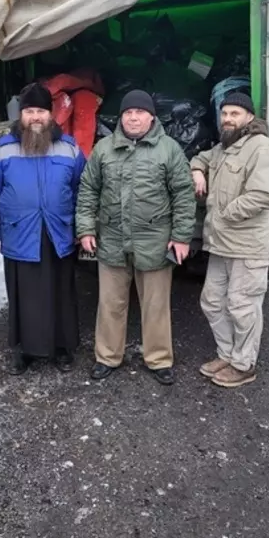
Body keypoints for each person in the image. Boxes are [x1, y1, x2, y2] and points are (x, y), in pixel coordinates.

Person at [76, 90, 196, 385]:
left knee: (155, 306)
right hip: (113, 241)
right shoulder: (104, 149)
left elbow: (183, 195)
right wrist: (86, 229)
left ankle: (158, 359)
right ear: (121, 118)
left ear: (151, 117)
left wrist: (181, 237)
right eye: (128, 113)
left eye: (139, 112)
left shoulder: (168, 149)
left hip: (154, 241)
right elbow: (88, 191)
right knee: (110, 304)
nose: (133, 117)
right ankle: (107, 356)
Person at [0, 83, 86, 375]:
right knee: (24, 297)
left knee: (61, 293)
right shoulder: (2, 149)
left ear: (51, 115)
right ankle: (23, 350)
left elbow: (84, 191)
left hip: (58, 232)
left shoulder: (70, 147)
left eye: (40, 111)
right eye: (29, 111)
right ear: (20, 115)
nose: (35, 117)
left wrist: (83, 226)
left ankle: (62, 348)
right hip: (19, 234)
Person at [191, 92, 269, 388]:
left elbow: (263, 195)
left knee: (242, 305)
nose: (228, 118)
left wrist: (225, 212)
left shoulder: (260, 147)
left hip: (246, 245)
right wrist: (197, 171)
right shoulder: (225, 147)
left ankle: (244, 364)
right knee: (212, 302)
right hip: (220, 245)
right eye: (225, 113)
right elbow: (201, 157)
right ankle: (227, 354)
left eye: (235, 114)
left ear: (249, 118)